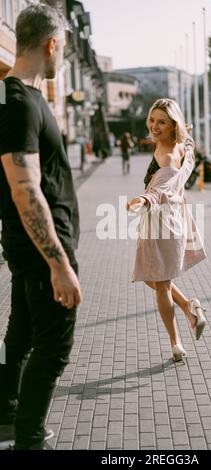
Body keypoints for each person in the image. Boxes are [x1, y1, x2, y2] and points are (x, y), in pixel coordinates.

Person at [0, 4, 82, 450]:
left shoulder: (23, 100)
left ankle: (7, 415)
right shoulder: (17, 104)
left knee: (23, 333)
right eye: (63, 49)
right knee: (53, 348)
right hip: (41, 253)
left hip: (29, 249)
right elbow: (26, 191)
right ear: (52, 45)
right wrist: (60, 265)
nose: (62, 57)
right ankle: (29, 439)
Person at [127, 98, 207, 363]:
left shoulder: (168, 155)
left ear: (173, 125)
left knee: (160, 284)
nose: (154, 126)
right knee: (155, 278)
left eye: (162, 122)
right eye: (152, 120)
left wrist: (144, 200)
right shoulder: (182, 147)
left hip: (161, 222)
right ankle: (188, 306)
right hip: (175, 218)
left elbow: (162, 186)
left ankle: (176, 343)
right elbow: (190, 147)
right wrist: (187, 133)